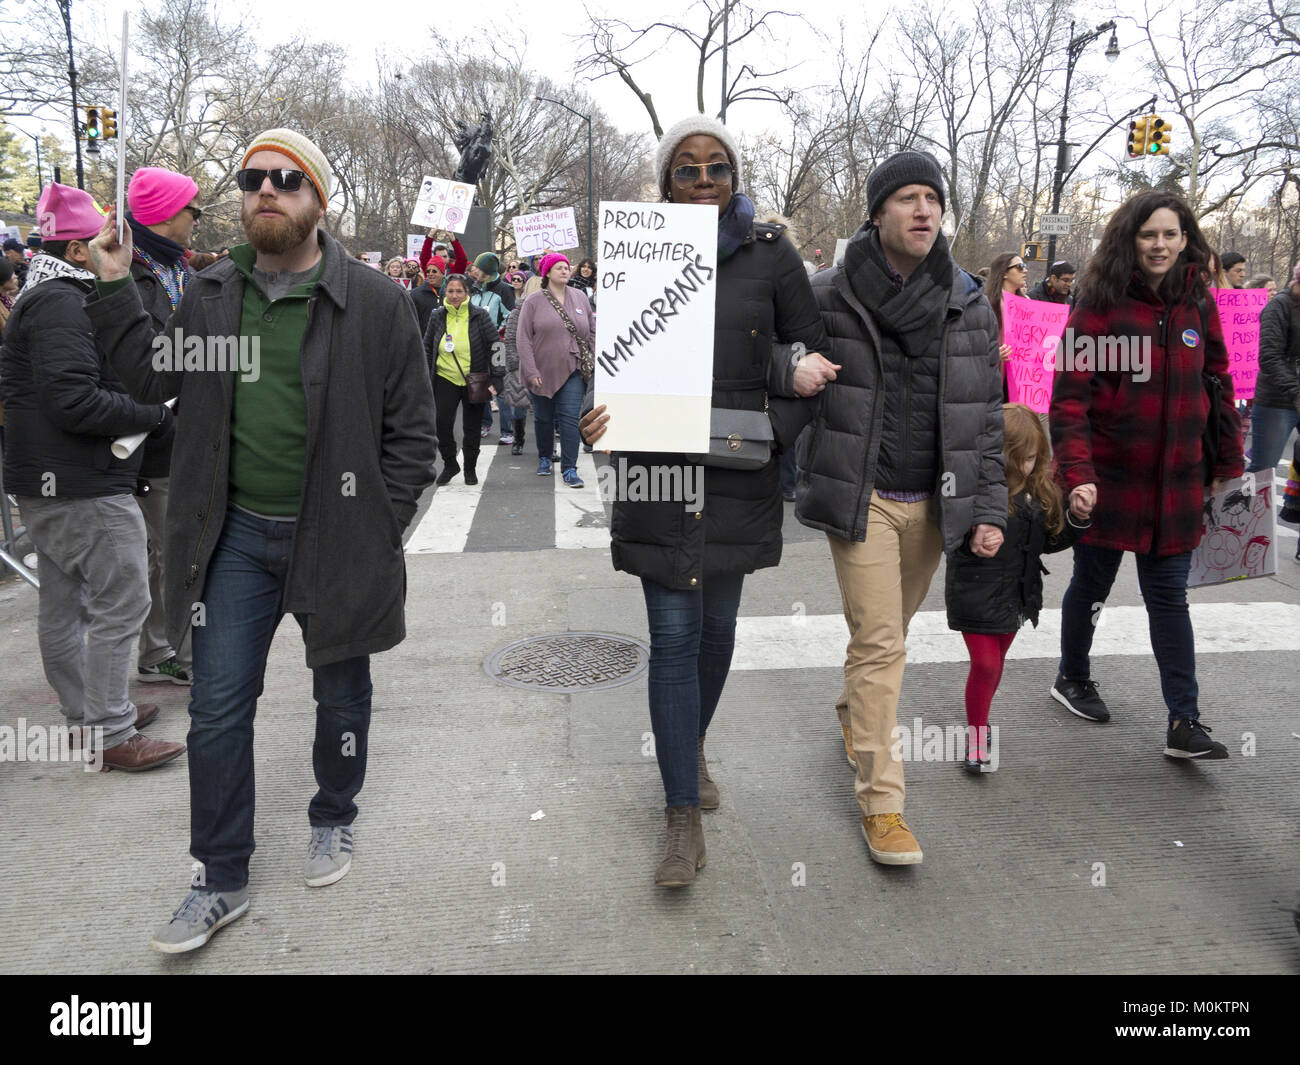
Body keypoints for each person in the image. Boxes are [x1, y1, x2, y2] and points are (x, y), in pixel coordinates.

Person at [84, 128, 437, 952]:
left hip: (337, 535)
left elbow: (412, 436)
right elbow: (146, 379)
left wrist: (376, 522)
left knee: (341, 694)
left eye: (286, 178)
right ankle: (220, 874)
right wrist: (109, 286)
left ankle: (333, 812)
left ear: (320, 200)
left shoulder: (374, 302)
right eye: (252, 179)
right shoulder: (212, 295)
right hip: (233, 538)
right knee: (214, 709)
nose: (266, 190)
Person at [580, 115, 836, 887]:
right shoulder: (633, 253)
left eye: (715, 168)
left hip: (736, 470)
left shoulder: (771, 255)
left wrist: (775, 427)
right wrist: (600, 413)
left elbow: (819, 353)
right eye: (685, 169)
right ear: (665, 183)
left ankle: (686, 744)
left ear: (734, 179)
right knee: (674, 638)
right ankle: (681, 815)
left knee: (718, 633)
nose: (701, 181)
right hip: (657, 476)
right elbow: (617, 360)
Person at [793, 150, 1007, 866]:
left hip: (937, 509)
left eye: (933, 199)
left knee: (885, 637)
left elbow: (986, 420)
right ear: (877, 212)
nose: (923, 210)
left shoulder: (970, 303)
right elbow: (761, 358)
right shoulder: (827, 294)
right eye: (907, 198)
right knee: (883, 644)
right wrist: (788, 372)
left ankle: (857, 714)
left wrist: (991, 510)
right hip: (865, 499)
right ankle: (883, 804)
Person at [1049, 189, 1243, 759]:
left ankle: (1185, 721)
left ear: (1186, 240)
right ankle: (1072, 676)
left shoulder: (1198, 303)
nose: (1159, 245)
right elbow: (1070, 399)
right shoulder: (1100, 303)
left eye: (1170, 234)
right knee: (1092, 585)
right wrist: (1077, 473)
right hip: (1109, 479)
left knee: (1169, 600)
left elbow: (1220, 383)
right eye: (1148, 234)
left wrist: (1228, 465)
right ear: (1130, 239)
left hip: (1180, 481)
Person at [0, 182, 182, 774]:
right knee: (122, 599)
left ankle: (90, 715)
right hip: (82, 482)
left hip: (56, 481)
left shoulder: (45, 296)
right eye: (106, 241)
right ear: (78, 251)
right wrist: (155, 413)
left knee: (66, 603)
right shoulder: (62, 301)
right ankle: (109, 728)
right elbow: (75, 400)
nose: (119, 251)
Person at [945, 404, 1089, 773]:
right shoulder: (972, 490)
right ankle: (977, 736)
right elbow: (945, 532)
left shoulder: (1038, 492)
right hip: (975, 593)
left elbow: (1050, 541)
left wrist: (1075, 517)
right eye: (1020, 458)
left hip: (1017, 596)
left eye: (1033, 458)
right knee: (985, 663)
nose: (1027, 466)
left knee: (995, 664)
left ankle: (981, 720)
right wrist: (973, 535)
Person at [124, 165, 205, 687]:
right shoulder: (123, 276)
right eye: (191, 209)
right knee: (164, 553)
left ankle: (178, 644)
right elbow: (134, 364)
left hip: (191, 434)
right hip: (149, 439)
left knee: (185, 549)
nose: (198, 219)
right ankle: (160, 652)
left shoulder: (185, 273)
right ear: (164, 214)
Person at [518, 253, 593, 487]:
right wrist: (531, 371)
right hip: (541, 371)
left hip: (573, 369)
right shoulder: (533, 301)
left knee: (570, 419)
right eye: (558, 267)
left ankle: (570, 468)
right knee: (543, 418)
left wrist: (590, 355)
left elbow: (592, 329)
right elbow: (523, 338)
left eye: (566, 267)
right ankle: (544, 457)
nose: (564, 270)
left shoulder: (580, 297)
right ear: (547, 273)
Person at [425, 273, 496, 485]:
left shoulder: (479, 315)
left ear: (467, 293)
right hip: (444, 376)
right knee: (441, 423)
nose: (454, 295)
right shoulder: (437, 315)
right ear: (445, 293)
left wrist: (498, 376)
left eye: (459, 291)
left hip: (475, 377)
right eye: (451, 291)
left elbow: (496, 345)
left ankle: (469, 468)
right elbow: (427, 345)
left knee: (472, 427)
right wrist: (422, 374)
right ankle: (450, 463)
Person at [1246, 260, 1300, 474]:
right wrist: (1296, 392)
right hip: (1278, 401)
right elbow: (1269, 357)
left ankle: (1291, 508)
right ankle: (1236, 507)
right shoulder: (1279, 306)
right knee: (1263, 470)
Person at [500, 276, 539, 456]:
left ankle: (547, 447)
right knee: (519, 409)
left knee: (545, 411)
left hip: (544, 366)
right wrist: (515, 364)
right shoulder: (517, 312)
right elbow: (509, 340)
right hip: (521, 366)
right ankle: (518, 439)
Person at [410, 254, 446, 335]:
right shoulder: (415, 294)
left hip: (445, 341)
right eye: (428, 271)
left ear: (442, 273)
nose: (430, 274)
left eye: (434, 271)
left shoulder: (450, 293)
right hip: (423, 341)